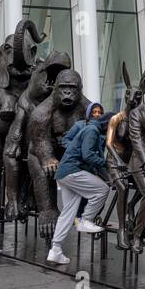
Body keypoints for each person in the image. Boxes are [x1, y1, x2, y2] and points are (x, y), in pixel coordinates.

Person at [47, 101, 112, 265]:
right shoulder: (92, 130)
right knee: (102, 189)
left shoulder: (92, 129)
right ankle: (85, 220)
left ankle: (55, 250)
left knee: (68, 212)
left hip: (64, 173)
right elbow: (88, 155)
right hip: (72, 171)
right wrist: (106, 164)